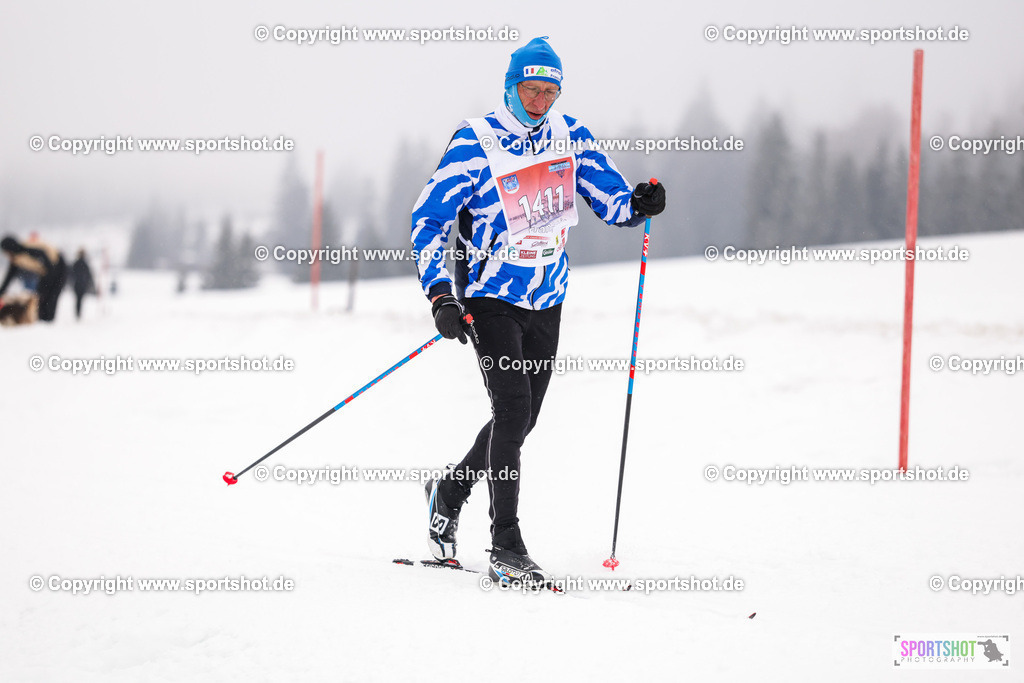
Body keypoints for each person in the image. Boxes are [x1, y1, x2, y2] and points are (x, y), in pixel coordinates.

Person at [411, 37, 666, 585]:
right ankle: (506, 544)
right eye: (531, 88)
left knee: (523, 418)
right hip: (489, 295)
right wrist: (440, 296)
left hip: (546, 294)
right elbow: (427, 220)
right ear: (510, 86)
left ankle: (449, 490)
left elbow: (609, 197)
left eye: (551, 90)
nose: (541, 99)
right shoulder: (475, 141)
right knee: (512, 406)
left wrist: (637, 203)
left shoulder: (570, 135)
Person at [0, 235, 67, 322]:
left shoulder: (27, 248)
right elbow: (8, 278)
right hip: (45, 272)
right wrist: (1, 292)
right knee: (42, 295)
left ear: (10, 249)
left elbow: (45, 257)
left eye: (6, 252)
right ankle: (43, 319)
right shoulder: (16, 259)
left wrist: (49, 278)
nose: (7, 255)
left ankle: (48, 321)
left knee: (51, 294)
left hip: (58, 266)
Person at [71, 248, 97, 320]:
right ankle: (78, 313)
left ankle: (77, 313)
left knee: (77, 299)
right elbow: (89, 275)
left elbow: (72, 274)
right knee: (80, 299)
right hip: (82, 285)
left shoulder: (76, 263)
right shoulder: (85, 264)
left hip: (77, 284)